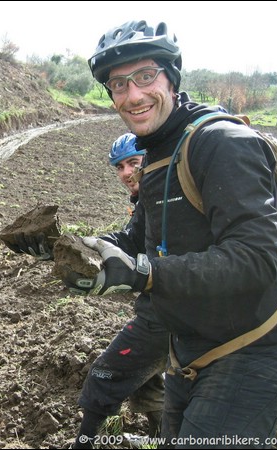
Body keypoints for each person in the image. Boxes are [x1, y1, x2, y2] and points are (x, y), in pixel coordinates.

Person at [11, 20, 277, 448]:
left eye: (145, 76)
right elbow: (134, 242)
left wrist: (143, 274)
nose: (133, 95)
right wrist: (63, 248)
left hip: (250, 351)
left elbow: (255, 260)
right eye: (118, 84)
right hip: (187, 348)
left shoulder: (221, 143)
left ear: (171, 78)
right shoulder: (159, 154)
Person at [72, 133, 168, 448]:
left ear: (150, 158)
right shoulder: (151, 198)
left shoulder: (166, 199)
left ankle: (83, 445)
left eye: (133, 162)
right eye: (119, 166)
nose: (126, 173)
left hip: (171, 310)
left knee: (105, 375)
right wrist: (92, 244)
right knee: (146, 374)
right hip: (168, 307)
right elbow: (132, 239)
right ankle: (159, 438)